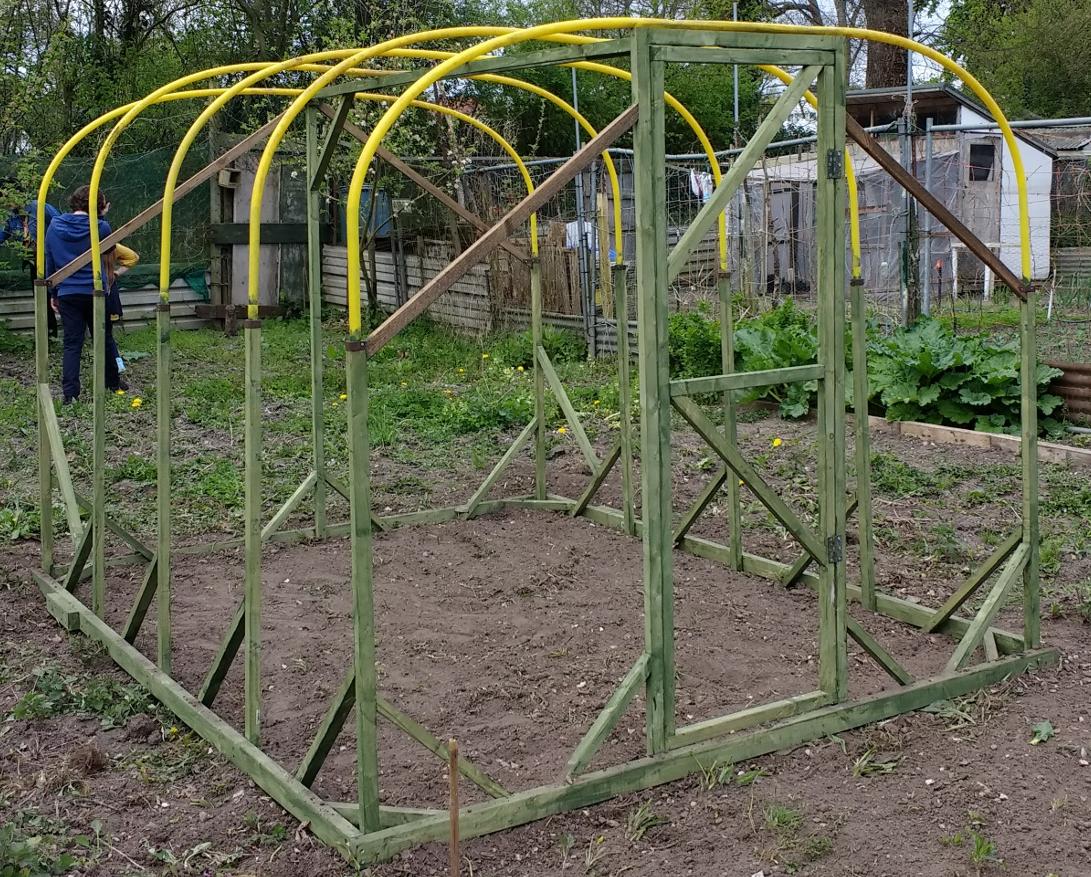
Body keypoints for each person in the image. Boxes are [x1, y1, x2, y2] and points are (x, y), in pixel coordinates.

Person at [44, 185, 125, 403]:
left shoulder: (54, 226)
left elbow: (50, 262)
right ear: (99, 207)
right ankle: (113, 382)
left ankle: (70, 395)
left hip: (67, 292)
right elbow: (110, 257)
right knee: (104, 337)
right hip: (95, 291)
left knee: (72, 343)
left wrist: (54, 293)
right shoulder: (101, 227)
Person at [0, 178, 60, 337]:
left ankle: (72, 332)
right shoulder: (11, 217)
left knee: (56, 295)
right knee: (41, 298)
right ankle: (48, 334)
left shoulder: (38, 207)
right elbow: (4, 234)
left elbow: (60, 223)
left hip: (51, 259)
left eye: (5, 197)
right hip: (33, 261)